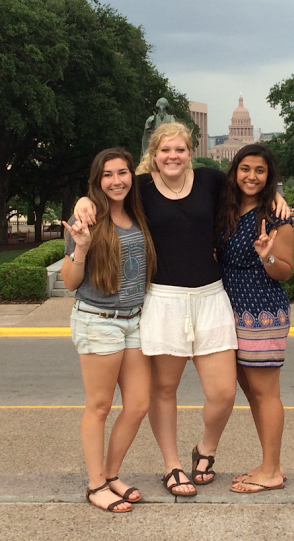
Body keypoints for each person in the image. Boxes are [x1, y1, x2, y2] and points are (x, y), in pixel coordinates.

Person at [74, 123, 290, 497]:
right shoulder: (140, 188)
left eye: (180, 149)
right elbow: (106, 190)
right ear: (153, 155)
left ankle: (205, 449)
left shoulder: (210, 181)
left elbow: (249, 187)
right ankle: (172, 465)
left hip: (211, 298)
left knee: (223, 392)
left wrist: (278, 200)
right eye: (164, 150)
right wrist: (83, 201)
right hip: (163, 299)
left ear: (192, 151)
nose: (172, 156)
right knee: (163, 390)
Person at [61, 148, 156, 512]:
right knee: (99, 406)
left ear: (133, 175)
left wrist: (273, 190)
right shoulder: (85, 217)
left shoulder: (138, 209)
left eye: (123, 172)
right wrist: (81, 249)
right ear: (97, 180)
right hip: (98, 320)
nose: (116, 180)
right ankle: (96, 484)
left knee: (137, 405)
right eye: (107, 175)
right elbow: (70, 282)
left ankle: (112, 475)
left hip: (134, 319)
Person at [216, 144, 294, 493]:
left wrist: (267, 257)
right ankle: (270, 464)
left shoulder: (277, 217)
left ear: (269, 175)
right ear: (235, 171)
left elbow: (286, 271)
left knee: (265, 393)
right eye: (245, 168)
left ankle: (271, 470)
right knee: (251, 392)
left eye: (260, 170)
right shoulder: (227, 208)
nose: (251, 176)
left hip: (262, 311)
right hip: (230, 310)